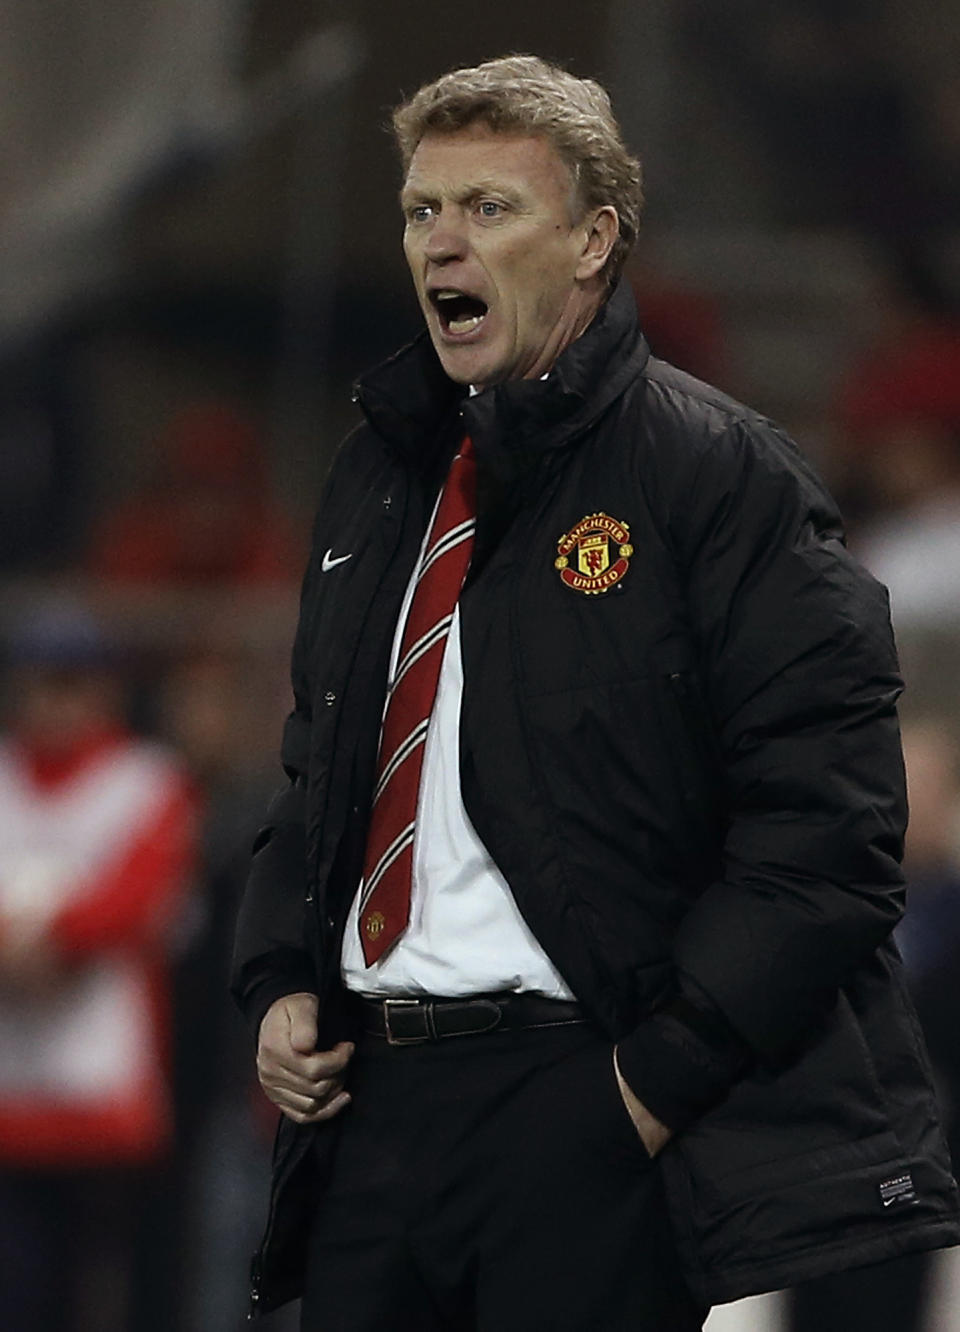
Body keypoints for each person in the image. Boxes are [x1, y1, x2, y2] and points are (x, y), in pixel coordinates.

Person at [231, 55, 960, 1331]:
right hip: (369, 1108)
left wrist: (652, 1082)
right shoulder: (377, 477)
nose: (442, 241)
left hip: (581, 1094)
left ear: (593, 243)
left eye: (490, 208)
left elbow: (831, 831)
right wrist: (282, 973)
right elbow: (323, 767)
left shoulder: (720, 477)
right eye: (421, 211)